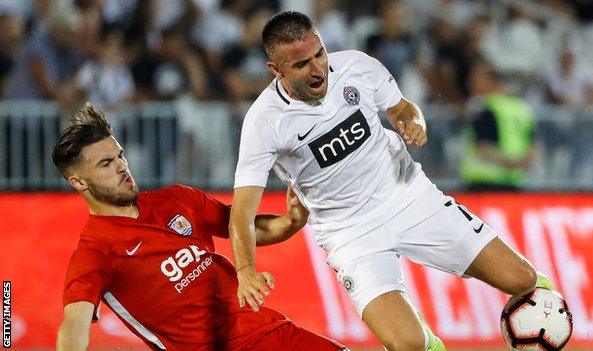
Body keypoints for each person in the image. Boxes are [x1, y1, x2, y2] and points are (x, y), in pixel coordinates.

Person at [229, 11, 552, 351]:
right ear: (275, 70)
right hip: (350, 233)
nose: (318, 68)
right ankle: (425, 340)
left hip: (409, 196)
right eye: (301, 65)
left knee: (524, 281)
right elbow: (242, 214)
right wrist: (246, 269)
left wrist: (414, 122)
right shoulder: (263, 123)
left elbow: (402, 108)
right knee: (407, 345)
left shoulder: (357, 67)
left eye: (319, 54)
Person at [53, 103, 346, 351]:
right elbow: (74, 325)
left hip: (268, 331)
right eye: (105, 164)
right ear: (78, 182)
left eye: (120, 156)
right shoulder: (95, 251)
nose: (121, 167)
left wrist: (290, 222)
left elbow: (242, 228)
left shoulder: (177, 198)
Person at [460, 59, 536, 191]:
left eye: (477, 79)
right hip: (513, 183)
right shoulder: (522, 109)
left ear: (490, 81)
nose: (471, 83)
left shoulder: (486, 109)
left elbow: (482, 149)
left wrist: (508, 163)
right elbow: (534, 148)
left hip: (483, 184)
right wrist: (518, 164)